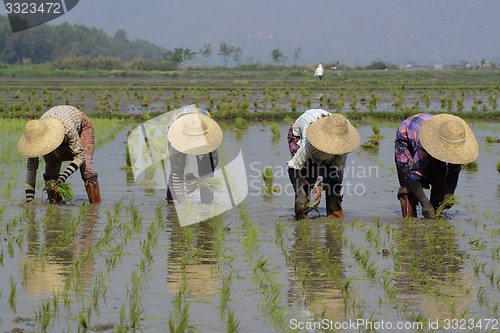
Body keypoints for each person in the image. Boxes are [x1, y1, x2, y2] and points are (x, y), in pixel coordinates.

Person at [395, 113, 478, 218]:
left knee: (440, 178)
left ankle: (433, 217)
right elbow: (413, 177)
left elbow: (454, 171)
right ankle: (409, 222)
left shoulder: (456, 146)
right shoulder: (424, 145)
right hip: (407, 134)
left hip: (434, 131)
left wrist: (449, 193)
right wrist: (425, 203)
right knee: (407, 184)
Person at [17, 105, 101, 203]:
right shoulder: (33, 139)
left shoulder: (67, 128)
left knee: (87, 171)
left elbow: (80, 156)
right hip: (55, 124)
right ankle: (55, 211)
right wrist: (29, 202)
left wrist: (62, 178)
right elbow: (31, 171)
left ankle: (94, 209)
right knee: (50, 175)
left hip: (80, 126)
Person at [287, 109, 360, 219]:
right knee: (305, 189)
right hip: (300, 133)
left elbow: (335, 168)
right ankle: (301, 221)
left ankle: (335, 220)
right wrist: (301, 193)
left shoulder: (345, 138)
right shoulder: (309, 141)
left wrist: (321, 186)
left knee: (334, 186)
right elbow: (293, 167)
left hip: (333, 135)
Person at [166, 106, 223, 204]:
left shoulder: (210, 137)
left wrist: (199, 181)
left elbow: (213, 164)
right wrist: (182, 204)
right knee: (176, 170)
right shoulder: (176, 136)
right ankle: (171, 200)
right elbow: (177, 174)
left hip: (204, 126)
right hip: (178, 127)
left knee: (207, 173)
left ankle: (207, 202)